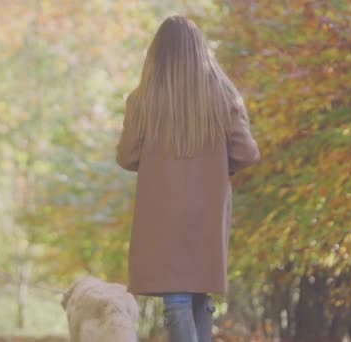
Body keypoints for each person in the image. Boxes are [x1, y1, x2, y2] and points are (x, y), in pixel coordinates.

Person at [116, 16, 260, 342]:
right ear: (201, 51)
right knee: (198, 293)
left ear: (157, 54)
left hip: (162, 214)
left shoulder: (142, 101)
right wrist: (218, 167)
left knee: (177, 296)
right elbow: (248, 153)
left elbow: (126, 157)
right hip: (207, 214)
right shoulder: (224, 96)